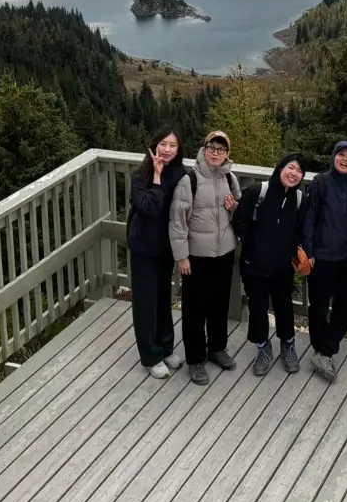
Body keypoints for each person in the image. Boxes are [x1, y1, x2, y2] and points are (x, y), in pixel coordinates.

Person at [169, 129, 242, 385]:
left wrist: (234, 208)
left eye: (221, 149)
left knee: (219, 305)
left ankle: (217, 348)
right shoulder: (189, 180)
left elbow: (237, 213)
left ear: (227, 154)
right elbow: (177, 223)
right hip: (197, 256)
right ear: (204, 148)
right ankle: (196, 359)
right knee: (194, 309)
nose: (215, 153)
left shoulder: (230, 178)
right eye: (212, 147)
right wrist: (182, 257)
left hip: (224, 253)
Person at [301, 139, 347, 382]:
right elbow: (309, 218)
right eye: (340, 154)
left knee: (346, 308)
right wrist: (308, 250)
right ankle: (321, 350)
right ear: (333, 157)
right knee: (318, 307)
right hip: (321, 258)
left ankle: (324, 351)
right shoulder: (320, 183)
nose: (345, 159)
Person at [234, 151, 308, 376]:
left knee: (284, 305)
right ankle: (262, 347)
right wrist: (251, 245)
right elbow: (240, 221)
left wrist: (294, 249)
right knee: (257, 307)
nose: (293, 174)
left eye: (299, 171)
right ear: (280, 168)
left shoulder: (298, 199)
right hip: (254, 263)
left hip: (282, 265)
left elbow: (299, 230)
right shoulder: (259, 191)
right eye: (290, 168)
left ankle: (288, 344)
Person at [127, 128, 188, 378]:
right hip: (144, 247)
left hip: (166, 247)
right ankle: (150, 355)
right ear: (154, 146)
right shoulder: (139, 177)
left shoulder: (181, 175)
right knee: (146, 303)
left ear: (179, 149)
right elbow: (150, 208)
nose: (167, 149)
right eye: (163, 144)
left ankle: (165, 347)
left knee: (164, 298)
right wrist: (156, 176)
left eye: (173, 145)